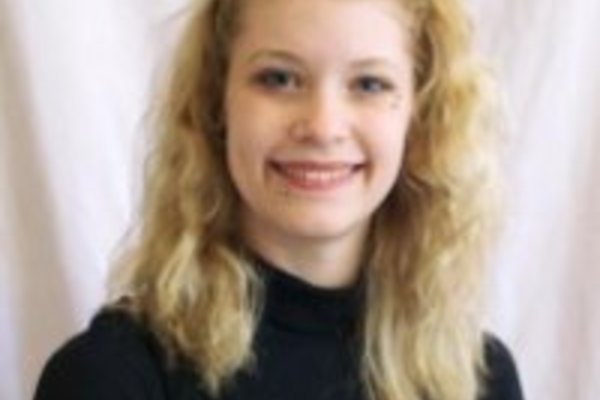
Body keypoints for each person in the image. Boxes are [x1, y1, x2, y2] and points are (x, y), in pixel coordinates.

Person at [34, 0, 524, 399]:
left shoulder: (480, 379)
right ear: (216, 104)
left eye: (369, 84)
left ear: (420, 117)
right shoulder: (110, 376)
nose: (323, 127)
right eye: (279, 78)